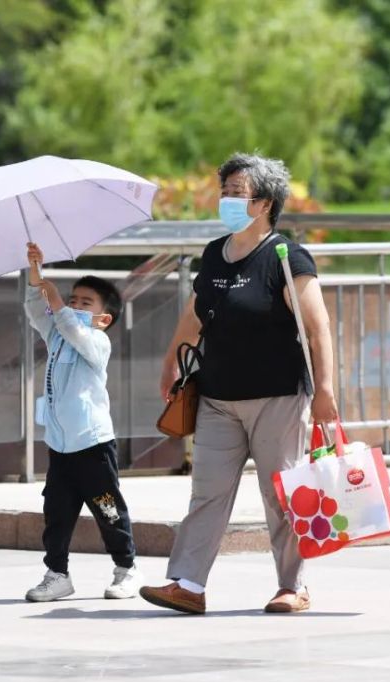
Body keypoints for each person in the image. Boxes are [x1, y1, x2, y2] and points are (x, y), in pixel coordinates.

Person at [139, 153, 338, 615]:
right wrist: (170, 363)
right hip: (217, 397)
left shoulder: (285, 257)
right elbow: (194, 317)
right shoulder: (215, 254)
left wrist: (326, 390)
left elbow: (318, 328)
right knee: (206, 492)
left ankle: (293, 586)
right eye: (224, 191)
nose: (227, 200)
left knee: (282, 494)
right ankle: (188, 584)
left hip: (278, 397)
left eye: (237, 193)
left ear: (265, 203)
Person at [23, 242, 141, 602]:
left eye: (85, 303)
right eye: (73, 299)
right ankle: (57, 574)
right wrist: (36, 273)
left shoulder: (97, 341)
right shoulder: (57, 333)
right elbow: (36, 310)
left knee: (108, 508)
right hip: (61, 446)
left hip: (92, 445)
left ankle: (126, 568)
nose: (74, 305)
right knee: (56, 513)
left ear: (104, 319)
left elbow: (75, 331)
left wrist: (59, 303)